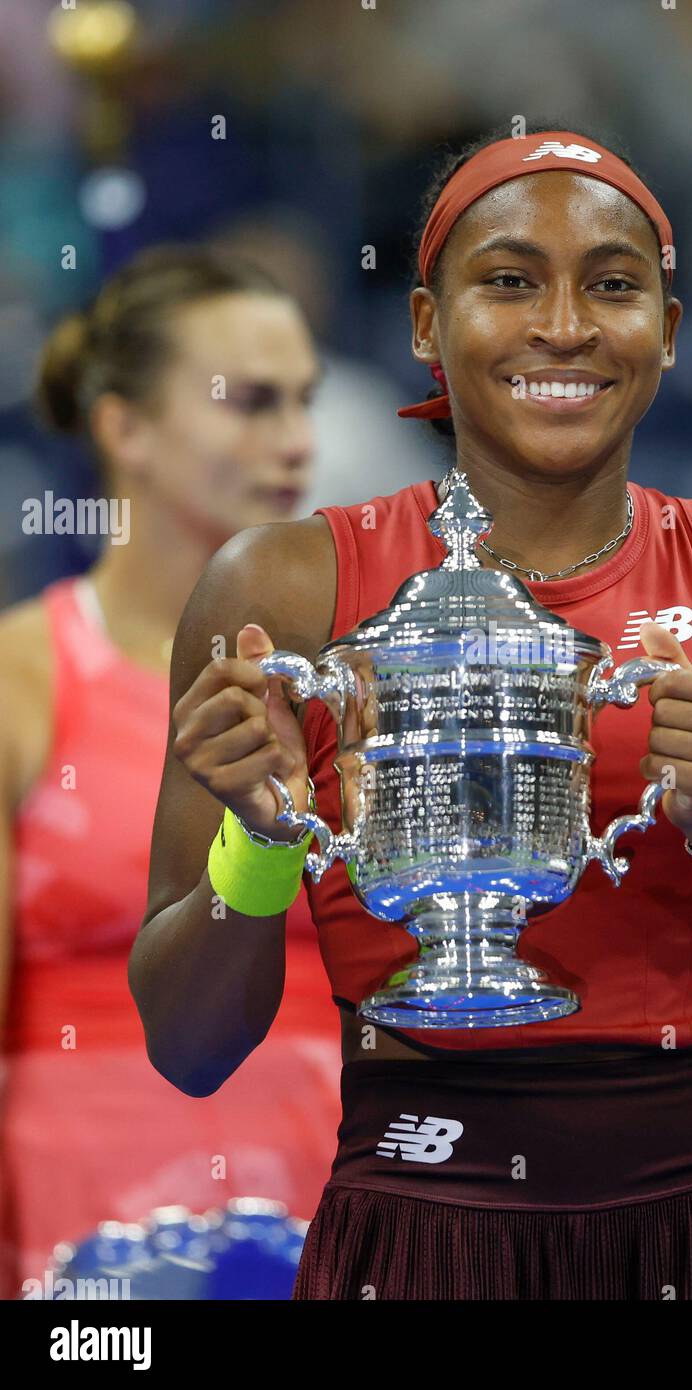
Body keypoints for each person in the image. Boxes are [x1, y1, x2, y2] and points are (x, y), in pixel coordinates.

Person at [132, 125, 692, 1301]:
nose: (563, 325)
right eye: (507, 281)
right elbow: (192, 1053)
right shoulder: (275, 589)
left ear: (668, 331)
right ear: (422, 327)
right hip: (414, 1234)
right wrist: (260, 838)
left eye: (613, 285)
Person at [0, 244, 342, 1296]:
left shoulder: (352, 684)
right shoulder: (20, 677)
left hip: (333, 1210)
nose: (293, 442)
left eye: (302, 402)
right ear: (124, 428)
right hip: (71, 1237)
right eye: (248, 402)